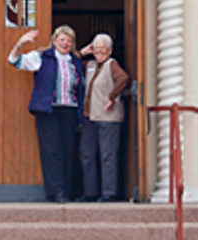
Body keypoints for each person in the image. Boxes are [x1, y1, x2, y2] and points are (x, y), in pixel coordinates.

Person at [8, 25, 84, 203]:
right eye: (62, 39)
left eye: (69, 40)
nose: (65, 43)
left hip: (69, 110)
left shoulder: (76, 62)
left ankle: (65, 192)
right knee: (51, 151)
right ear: (54, 40)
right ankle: (56, 192)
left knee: (67, 151)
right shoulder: (42, 57)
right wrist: (20, 43)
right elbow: (14, 61)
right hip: (48, 110)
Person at [77, 33, 129, 202]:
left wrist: (112, 96)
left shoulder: (112, 64)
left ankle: (109, 193)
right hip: (89, 117)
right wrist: (82, 53)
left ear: (110, 50)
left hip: (108, 117)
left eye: (103, 49)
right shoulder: (90, 64)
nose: (99, 52)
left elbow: (123, 78)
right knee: (87, 155)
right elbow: (71, 64)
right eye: (96, 49)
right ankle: (90, 192)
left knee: (107, 156)